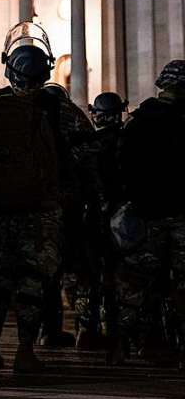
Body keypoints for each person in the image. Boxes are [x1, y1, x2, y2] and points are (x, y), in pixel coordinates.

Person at [0, 21, 61, 373]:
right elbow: (86, 155)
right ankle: (24, 351)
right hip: (42, 209)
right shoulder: (59, 109)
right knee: (33, 280)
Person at [113, 60, 185, 369]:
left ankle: (122, 344)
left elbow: (121, 165)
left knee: (139, 283)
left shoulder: (139, 120)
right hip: (181, 214)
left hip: (146, 214)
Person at [38, 82, 99, 349]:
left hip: (35, 202)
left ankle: (46, 330)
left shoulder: (24, 111)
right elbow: (92, 158)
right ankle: (85, 328)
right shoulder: (73, 114)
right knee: (78, 265)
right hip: (71, 202)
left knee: (43, 270)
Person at [75, 92, 128, 351]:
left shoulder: (86, 144)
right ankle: (116, 332)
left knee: (90, 275)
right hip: (123, 216)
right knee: (119, 275)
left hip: (91, 216)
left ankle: (86, 329)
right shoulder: (128, 141)